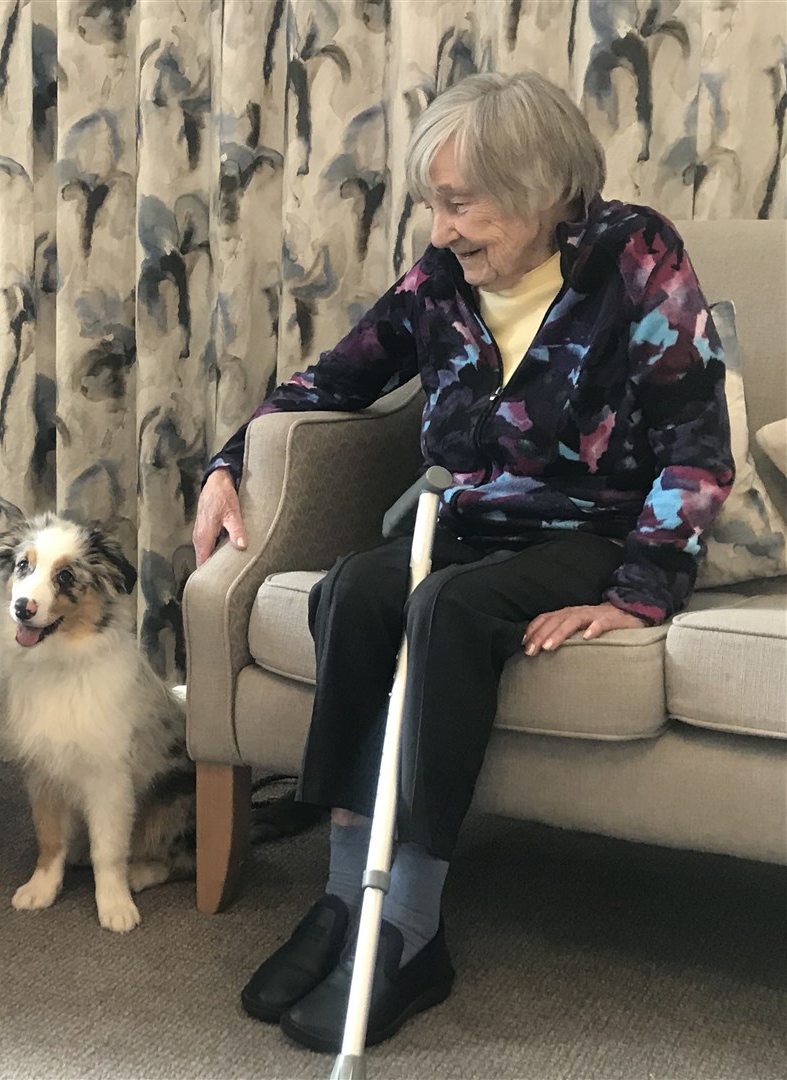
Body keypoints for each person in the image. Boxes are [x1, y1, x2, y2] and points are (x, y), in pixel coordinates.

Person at [192, 71, 733, 1050]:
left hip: (589, 534)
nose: (441, 229)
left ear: (537, 189)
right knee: (358, 589)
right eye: (434, 205)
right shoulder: (444, 277)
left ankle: (409, 928)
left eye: (458, 203)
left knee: (447, 612)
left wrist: (643, 592)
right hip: (468, 520)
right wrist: (231, 460)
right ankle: (341, 901)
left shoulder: (635, 257)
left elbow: (697, 441)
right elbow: (340, 374)